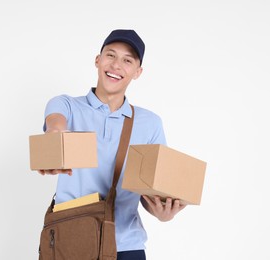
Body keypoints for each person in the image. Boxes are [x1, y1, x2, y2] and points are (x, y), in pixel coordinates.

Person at [38, 29, 186, 260]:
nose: (117, 65)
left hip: (126, 245)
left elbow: (150, 189)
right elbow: (55, 123)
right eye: (111, 55)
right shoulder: (67, 105)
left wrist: (162, 213)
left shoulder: (150, 123)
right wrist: (55, 136)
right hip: (72, 240)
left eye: (127, 60)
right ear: (98, 60)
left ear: (137, 72)